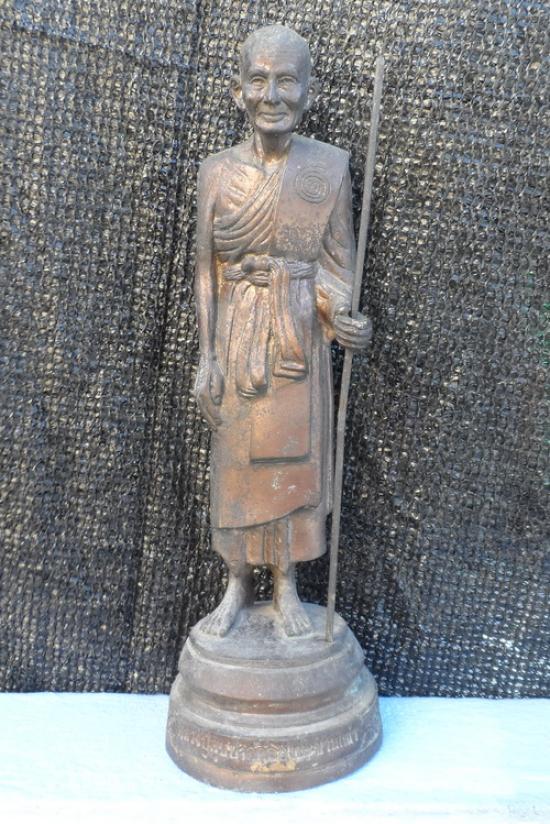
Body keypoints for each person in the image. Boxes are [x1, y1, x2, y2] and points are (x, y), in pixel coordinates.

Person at [194, 24, 372, 637]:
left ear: (307, 92)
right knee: (236, 463)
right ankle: (237, 585)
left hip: (298, 337)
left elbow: (337, 266)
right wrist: (206, 357)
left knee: (295, 462)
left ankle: (288, 584)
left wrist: (343, 316)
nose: (272, 95)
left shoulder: (327, 168)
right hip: (236, 339)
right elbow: (206, 270)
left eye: (287, 81)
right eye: (259, 80)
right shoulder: (217, 172)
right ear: (238, 90)